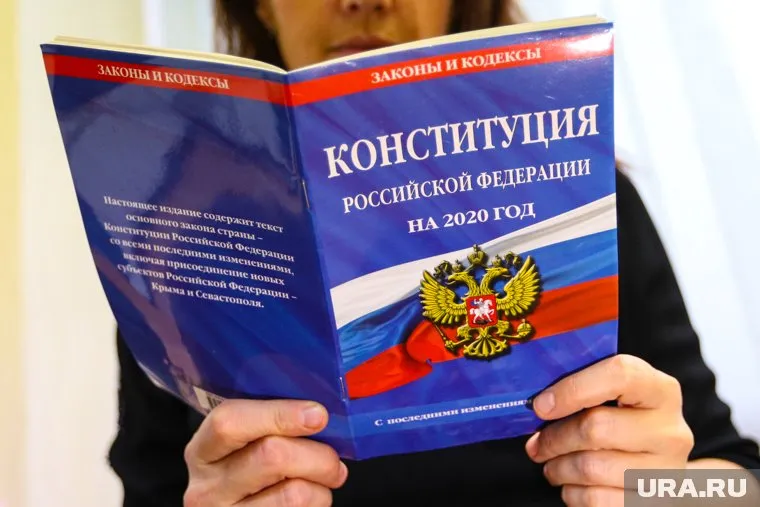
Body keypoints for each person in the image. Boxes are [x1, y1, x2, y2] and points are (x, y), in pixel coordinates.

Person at [108, 1, 760, 506]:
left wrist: (666, 491)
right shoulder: (188, 245)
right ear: (260, 7)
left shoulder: (585, 206)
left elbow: (741, 480)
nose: (362, 1)